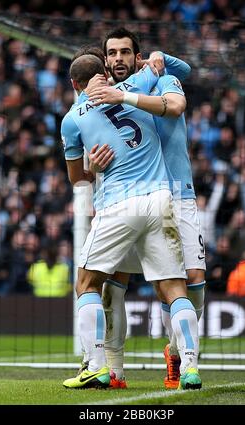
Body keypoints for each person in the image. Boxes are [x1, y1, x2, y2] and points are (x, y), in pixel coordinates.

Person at [60, 54, 201, 390]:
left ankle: (96, 365)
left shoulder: (70, 119)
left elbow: (77, 180)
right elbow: (176, 73)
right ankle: (191, 367)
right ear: (104, 73)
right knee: (173, 287)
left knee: (87, 283)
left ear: (73, 84)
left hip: (117, 204)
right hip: (160, 200)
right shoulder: (137, 84)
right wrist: (157, 59)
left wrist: (92, 167)